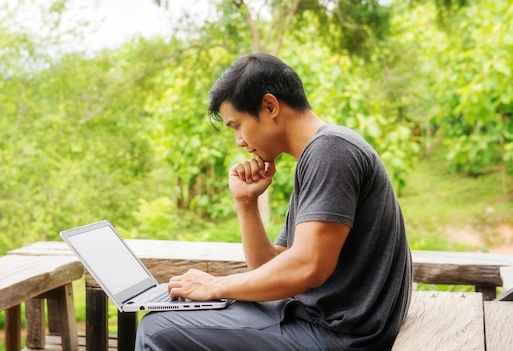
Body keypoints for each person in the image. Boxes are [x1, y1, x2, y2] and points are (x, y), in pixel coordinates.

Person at [135, 53, 412, 350]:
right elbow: (269, 266)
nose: (239, 141)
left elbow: (309, 267)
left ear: (270, 106)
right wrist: (246, 203)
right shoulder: (318, 153)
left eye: (237, 125)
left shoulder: (331, 150)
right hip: (318, 321)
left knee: (156, 329)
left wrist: (215, 286)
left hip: (338, 336)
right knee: (172, 318)